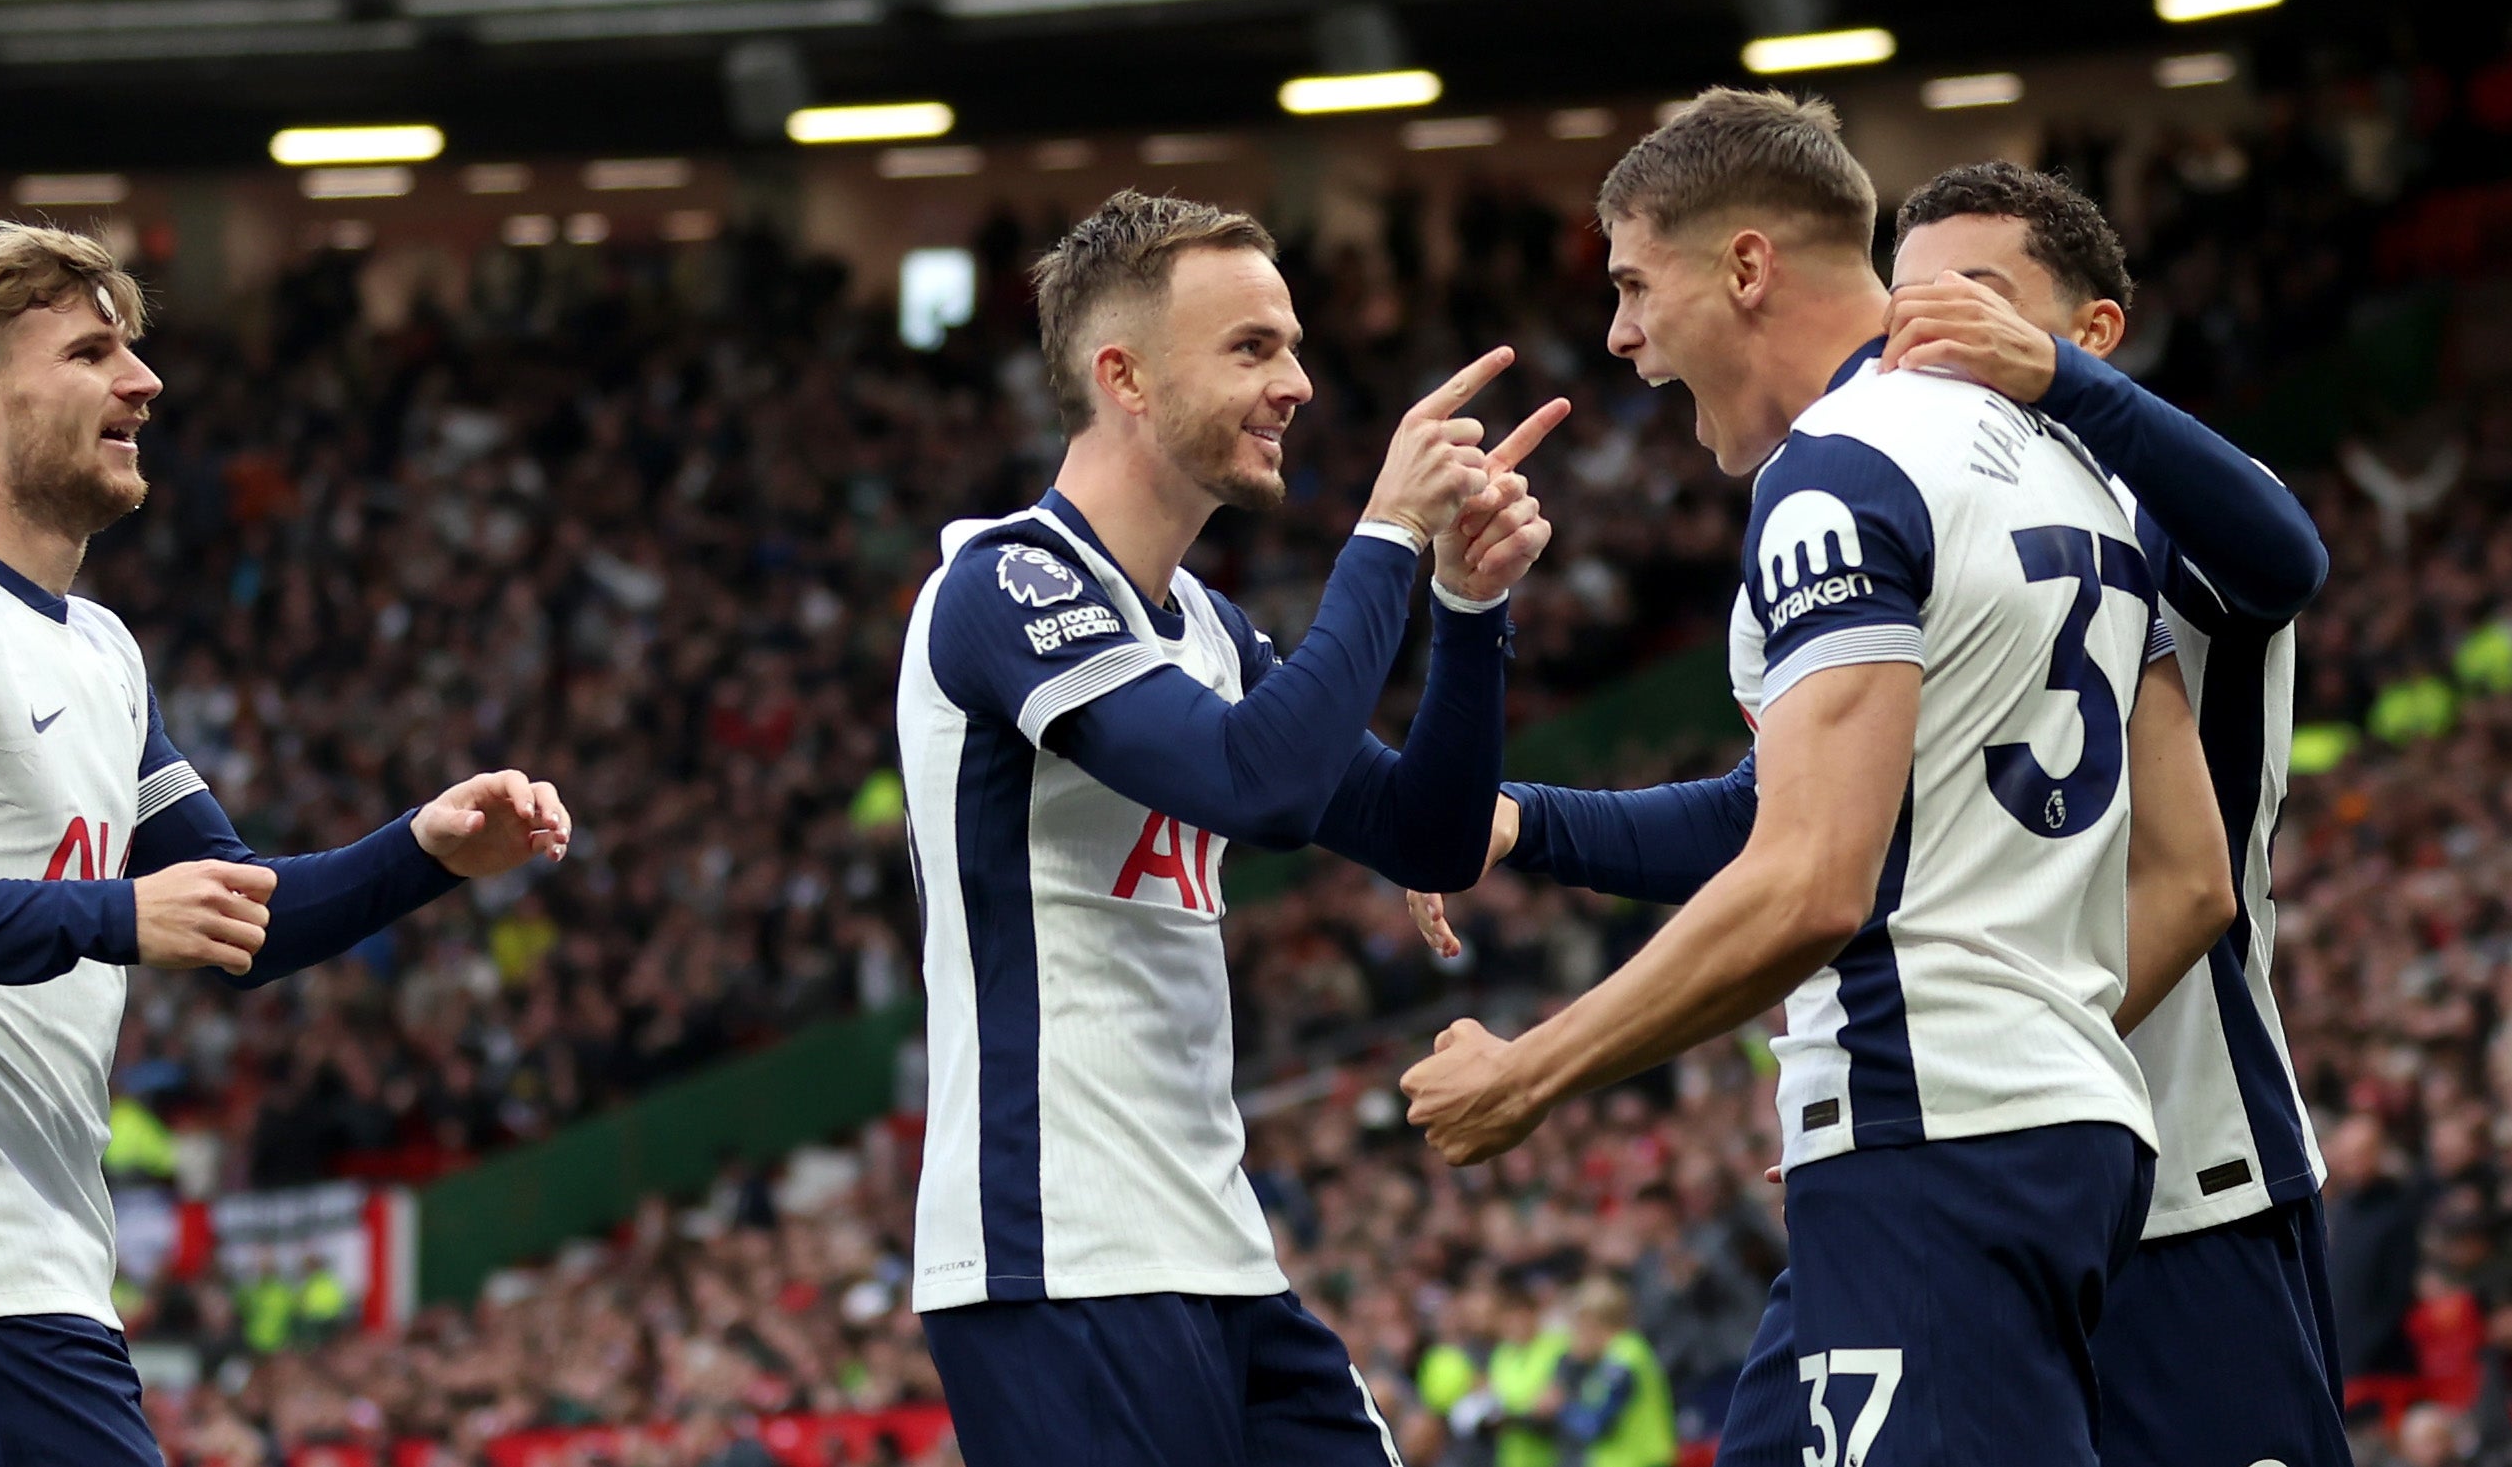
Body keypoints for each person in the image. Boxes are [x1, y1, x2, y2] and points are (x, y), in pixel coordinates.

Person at [1431, 162, 2348, 1467]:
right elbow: (1779, 814)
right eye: (1907, 293)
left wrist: (1938, 1058)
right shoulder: (1926, 486)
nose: (1925, 326)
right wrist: (1523, 823)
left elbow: (2282, 566)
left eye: (1972, 299)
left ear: (2084, 334)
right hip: (1991, 1124)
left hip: (2176, 1161)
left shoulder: (2126, 479)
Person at [0, 224, 571, 1464]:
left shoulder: (99, 649)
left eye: (131, 351)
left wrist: (424, 849)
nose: (142, 382)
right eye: (91, 352)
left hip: (29, 1271)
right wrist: (107, 916)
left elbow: (232, 917)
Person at [902, 189, 1565, 1467]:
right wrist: (1383, 533)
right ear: (1126, 378)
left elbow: (1423, 837)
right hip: (1058, 1254)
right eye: (1254, 348)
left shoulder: (1203, 628)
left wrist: (1468, 610)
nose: (1299, 384)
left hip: (1214, 1246)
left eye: (1295, 346)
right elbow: (1254, 786)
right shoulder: (1004, 581)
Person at [1552, 1279, 1677, 1467]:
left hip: (1640, 1461)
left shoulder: (1623, 1357)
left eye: (1576, 1326)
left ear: (1591, 1321)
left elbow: (1593, 1425)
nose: (1573, 1336)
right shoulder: (1614, 1355)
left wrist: (1560, 1406)